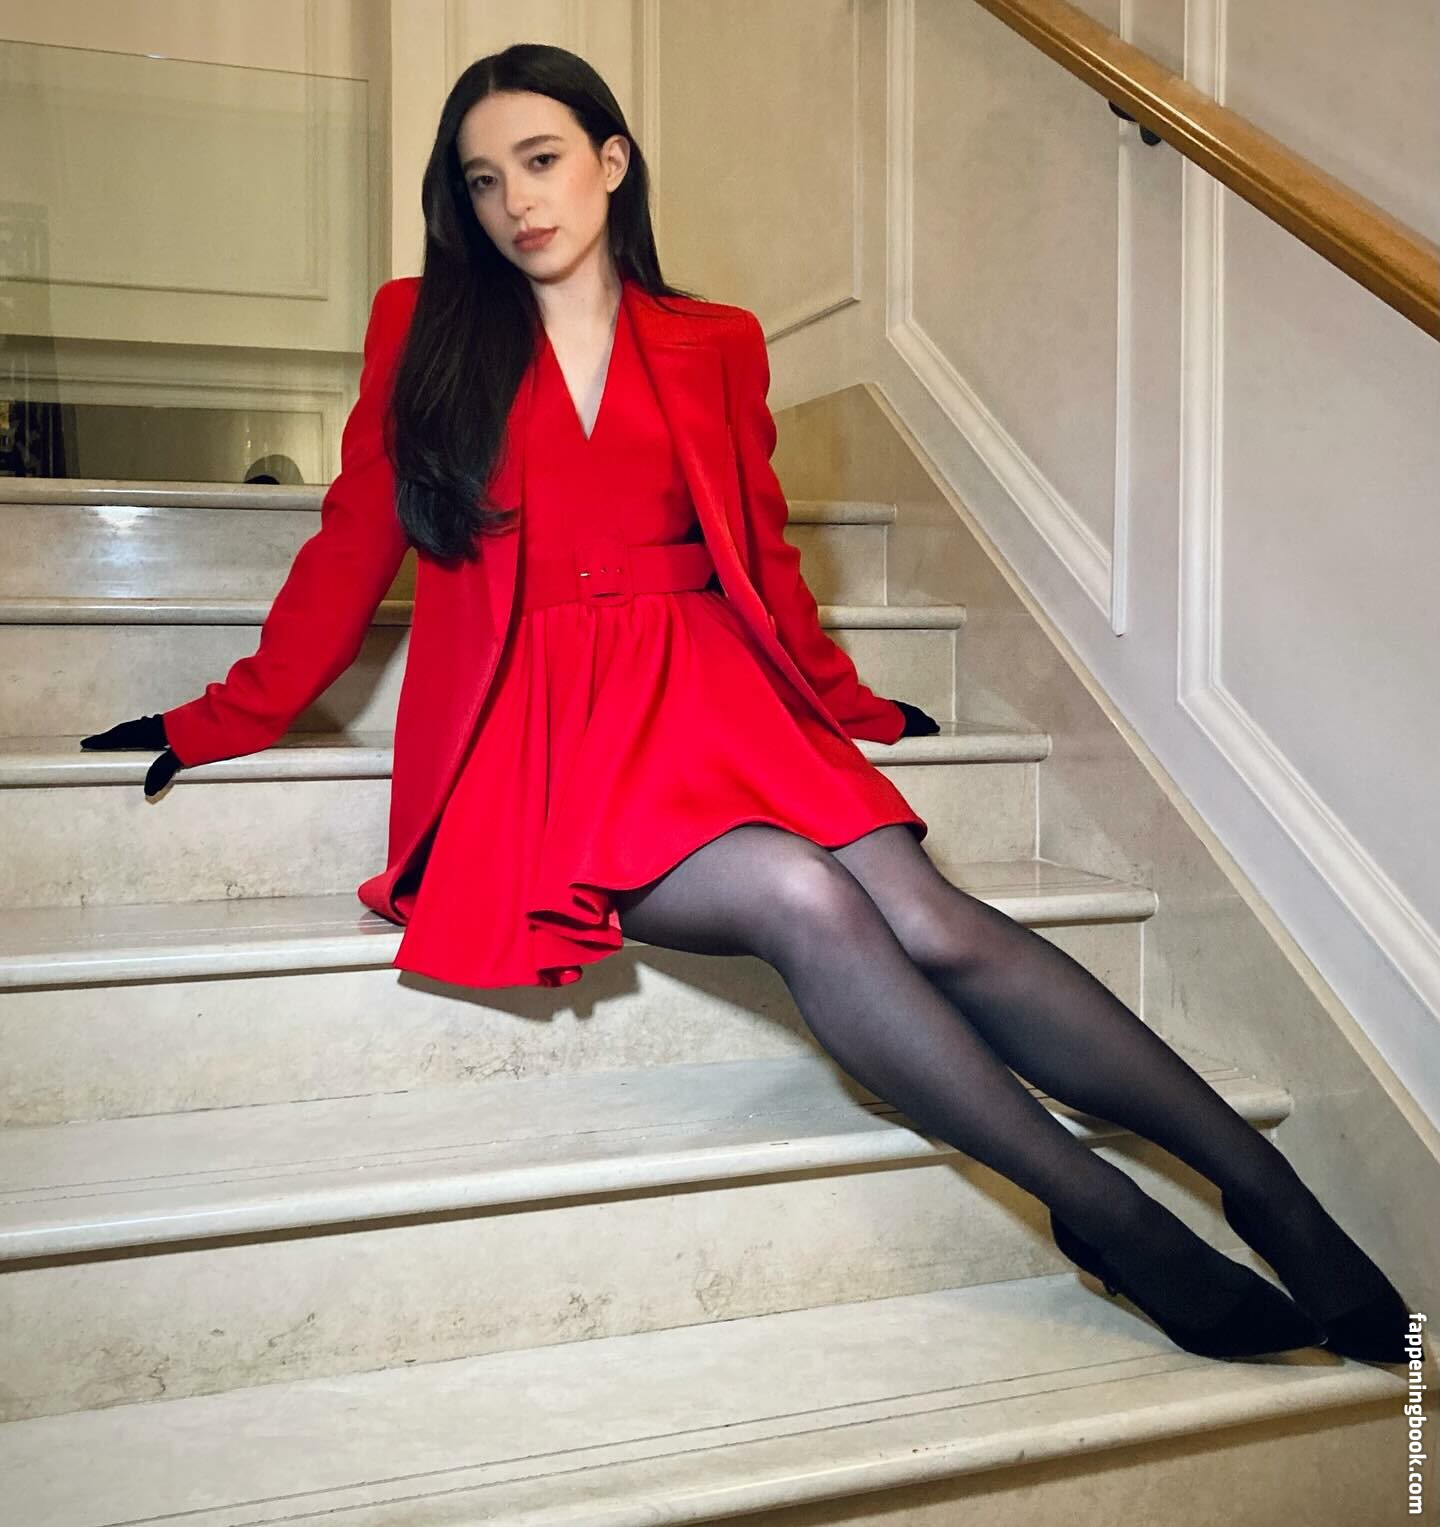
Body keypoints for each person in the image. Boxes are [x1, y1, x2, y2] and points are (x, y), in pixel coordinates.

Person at [82, 43, 1410, 1366]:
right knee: (804, 898)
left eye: (542, 161)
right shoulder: (420, 326)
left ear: (611, 161)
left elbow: (759, 556)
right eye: (484, 180)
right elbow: (353, 543)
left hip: (711, 688)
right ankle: (1109, 1214)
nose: (517, 202)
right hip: (542, 729)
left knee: (930, 917)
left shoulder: (711, 340)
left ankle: (1270, 1195)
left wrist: (844, 698)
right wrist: (226, 714)